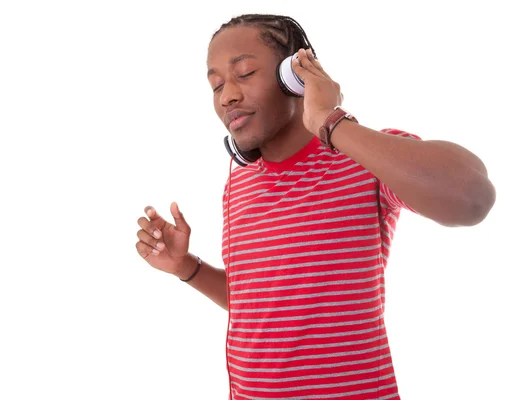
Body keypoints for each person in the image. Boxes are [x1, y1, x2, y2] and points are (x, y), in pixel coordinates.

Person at [135, 13, 496, 400]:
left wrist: (330, 121)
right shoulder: (239, 180)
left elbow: (472, 197)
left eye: (244, 73)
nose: (227, 96)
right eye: (216, 85)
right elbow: (260, 302)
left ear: (296, 76)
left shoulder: (362, 155)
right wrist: (186, 268)